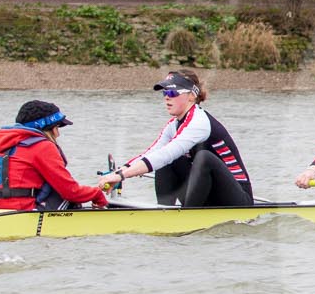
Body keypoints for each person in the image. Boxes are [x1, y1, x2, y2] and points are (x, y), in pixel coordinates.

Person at [103, 69, 254, 207]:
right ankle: (164, 212)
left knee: (203, 157)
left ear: (192, 96)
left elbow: (167, 153)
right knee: (164, 160)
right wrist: (118, 173)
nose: (167, 98)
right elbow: (152, 153)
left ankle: (187, 216)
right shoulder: (173, 125)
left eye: (173, 93)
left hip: (238, 198)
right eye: (165, 93)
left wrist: (122, 176)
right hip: (206, 191)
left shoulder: (199, 123)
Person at [0, 100, 114, 210]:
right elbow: (70, 191)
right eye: (57, 127)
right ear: (46, 128)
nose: (58, 133)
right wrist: (96, 194)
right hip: (21, 208)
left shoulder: (9, 143)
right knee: (67, 197)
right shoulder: (42, 146)